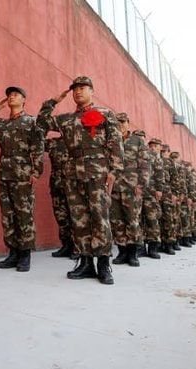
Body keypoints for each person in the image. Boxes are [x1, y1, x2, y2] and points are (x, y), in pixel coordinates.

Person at [38, 76, 124, 285]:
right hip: (72, 172)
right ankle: (85, 263)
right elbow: (41, 121)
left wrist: (115, 170)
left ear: (92, 91)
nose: (78, 92)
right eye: (75, 89)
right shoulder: (66, 119)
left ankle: (103, 264)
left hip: (98, 171)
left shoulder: (104, 114)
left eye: (83, 88)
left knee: (99, 217)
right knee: (79, 218)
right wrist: (54, 100)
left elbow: (116, 143)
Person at [0, 86, 44, 272]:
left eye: (16, 95)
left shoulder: (31, 122)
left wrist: (36, 172)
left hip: (23, 173)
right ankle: (13, 252)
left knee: (24, 213)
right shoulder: (1, 124)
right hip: (3, 172)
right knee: (8, 215)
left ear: (24, 100)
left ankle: (25, 254)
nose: (11, 97)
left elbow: (38, 148)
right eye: (9, 95)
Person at [110, 112, 148, 267]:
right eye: (117, 122)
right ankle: (122, 252)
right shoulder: (110, 139)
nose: (120, 124)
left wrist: (141, 185)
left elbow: (144, 164)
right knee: (117, 220)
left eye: (123, 122)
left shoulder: (137, 141)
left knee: (132, 220)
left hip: (132, 186)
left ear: (128, 123)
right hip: (115, 186)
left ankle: (133, 254)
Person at [46, 135, 77, 259]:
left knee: (75, 217)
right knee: (61, 216)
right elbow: (36, 141)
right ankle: (66, 245)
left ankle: (78, 247)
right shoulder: (53, 143)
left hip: (72, 186)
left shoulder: (76, 139)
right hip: (56, 184)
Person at [141, 138, 166, 259]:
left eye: (157, 146)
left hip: (151, 192)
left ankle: (153, 247)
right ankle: (140, 247)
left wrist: (159, 189)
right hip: (138, 191)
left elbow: (159, 174)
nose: (155, 148)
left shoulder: (156, 158)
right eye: (153, 146)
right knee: (139, 219)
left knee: (152, 219)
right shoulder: (142, 153)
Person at [159, 144, 179, 255]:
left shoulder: (170, 163)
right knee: (158, 219)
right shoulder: (155, 159)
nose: (163, 153)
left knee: (168, 219)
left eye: (164, 151)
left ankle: (169, 244)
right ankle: (160, 243)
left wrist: (175, 193)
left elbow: (175, 180)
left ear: (168, 152)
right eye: (161, 151)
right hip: (156, 193)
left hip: (167, 194)